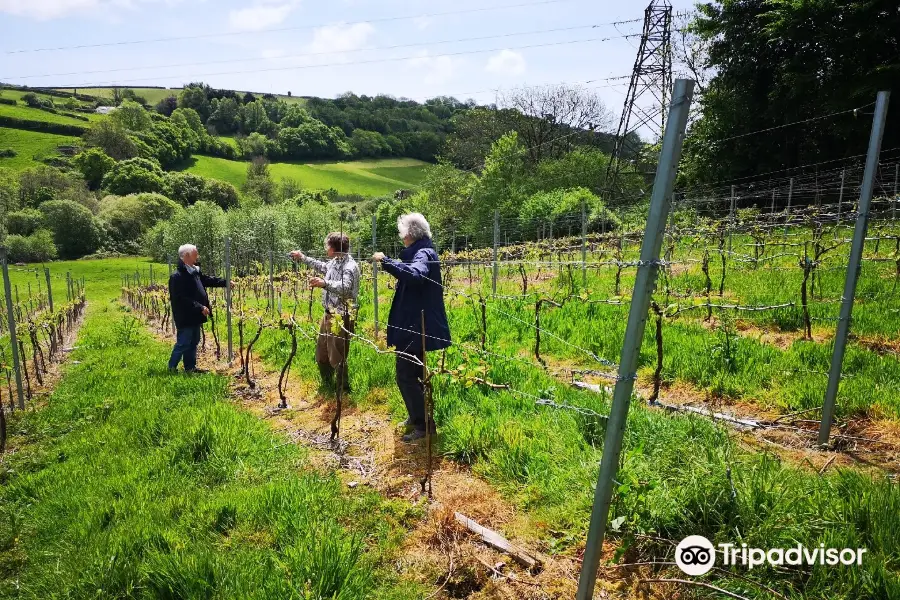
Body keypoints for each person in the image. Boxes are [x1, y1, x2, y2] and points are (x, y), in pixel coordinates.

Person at [373, 213, 451, 442]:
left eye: (401, 233)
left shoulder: (423, 253)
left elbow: (416, 275)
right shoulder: (421, 251)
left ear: (409, 234)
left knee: (405, 375)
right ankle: (416, 415)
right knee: (414, 374)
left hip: (415, 327)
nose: (401, 237)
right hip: (414, 325)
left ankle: (423, 426)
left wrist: (386, 261)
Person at [290, 232, 360, 393]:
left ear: (334, 248)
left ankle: (343, 390)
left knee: (337, 353)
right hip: (328, 313)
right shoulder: (335, 261)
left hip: (341, 315)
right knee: (322, 352)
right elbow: (322, 266)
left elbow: (346, 288)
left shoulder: (350, 267)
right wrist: (303, 257)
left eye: (327, 245)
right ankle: (327, 385)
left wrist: (324, 283)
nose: (325, 248)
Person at [168, 243, 228, 373]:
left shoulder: (194, 272)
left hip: (195, 314)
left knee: (194, 341)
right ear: (186, 256)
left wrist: (226, 282)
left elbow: (207, 280)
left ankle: (190, 368)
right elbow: (180, 298)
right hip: (185, 315)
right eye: (195, 253)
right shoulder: (177, 277)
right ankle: (171, 368)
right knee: (183, 342)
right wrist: (200, 306)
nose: (197, 256)